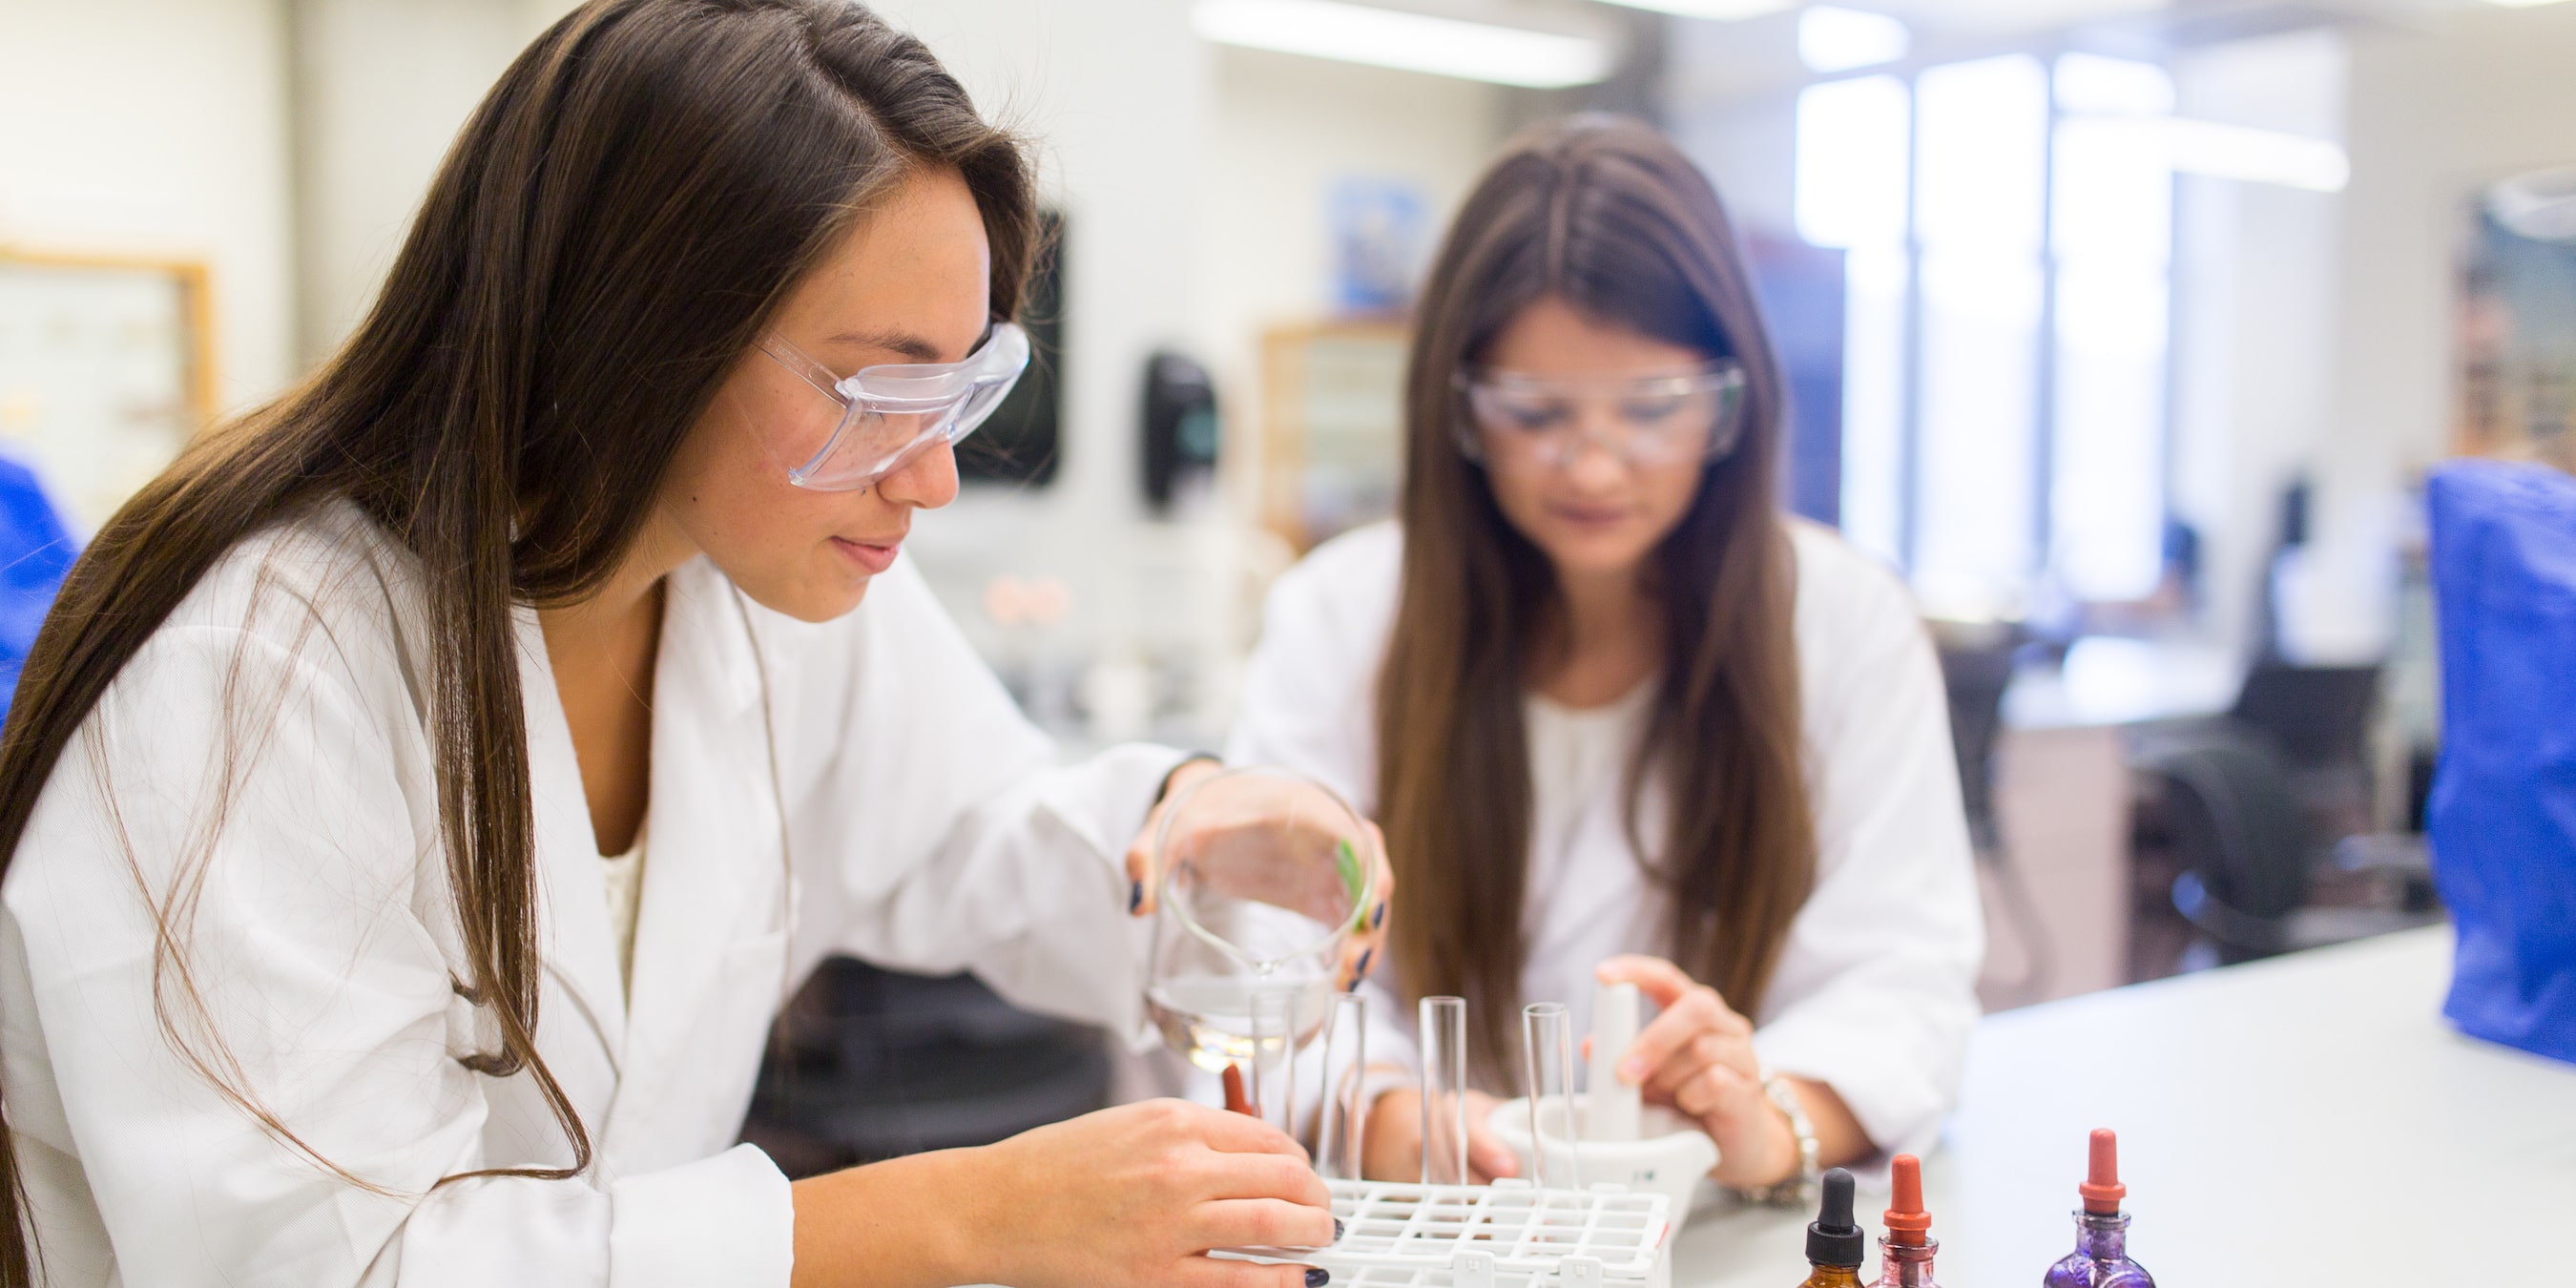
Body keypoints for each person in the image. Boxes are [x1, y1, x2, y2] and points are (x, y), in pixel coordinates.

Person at [0, 3, 1384, 1285]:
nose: (931, 477)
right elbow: (337, 1260)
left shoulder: (760, 580)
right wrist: (973, 1212)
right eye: (882, 390)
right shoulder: (258, 666)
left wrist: (1187, 816)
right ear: (638, 334)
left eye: (959, 393)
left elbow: (975, 830)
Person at [1227, 116, 1983, 1198]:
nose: (1593, 464)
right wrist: (1408, 1123)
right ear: (1459, 411)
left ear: (1732, 400)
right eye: (1535, 411)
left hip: (1721, 1233)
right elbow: (1266, 967)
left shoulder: (1843, 617)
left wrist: (1759, 1118)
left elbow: (1903, 985)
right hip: (1433, 1232)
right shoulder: (1343, 617)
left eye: (1651, 410)